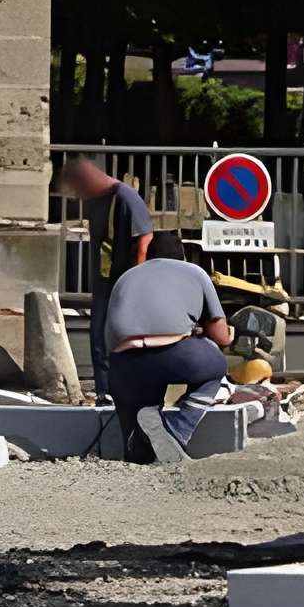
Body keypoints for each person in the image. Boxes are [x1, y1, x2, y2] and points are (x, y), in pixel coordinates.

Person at [97, 244, 234, 462]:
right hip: (174, 356)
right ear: (183, 257)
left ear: (148, 257)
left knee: (139, 423)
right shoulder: (194, 272)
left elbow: (107, 334)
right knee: (216, 364)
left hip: (124, 363)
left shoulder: (126, 277)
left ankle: (139, 448)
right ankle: (178, 430)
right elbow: (220, 335)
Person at [60, 154, 151, 390]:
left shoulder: (125, 197)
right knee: (99, 339)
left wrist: (134, 287)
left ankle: (120, 391)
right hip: (104, 283)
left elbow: (143, 241)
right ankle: (105, 392)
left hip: (122, 285)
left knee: (119, 339)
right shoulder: (98, 199)